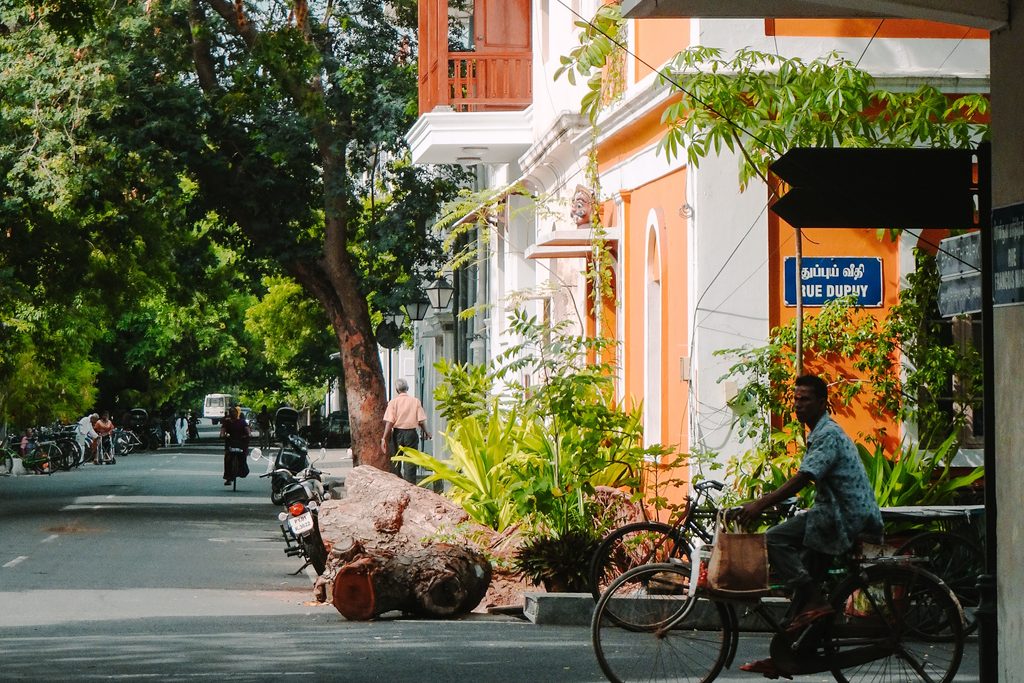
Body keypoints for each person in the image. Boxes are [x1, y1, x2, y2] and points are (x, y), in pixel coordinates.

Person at [736, 374, 883, 679]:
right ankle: (786, 655)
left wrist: (760, 503)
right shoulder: (819, 432)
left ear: (821, 402)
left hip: (842, 517)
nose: (797, 405)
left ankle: (812, 603)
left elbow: (805, 477)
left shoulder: (827, 433)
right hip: (832, 513)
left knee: (775, 540)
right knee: (807, 582)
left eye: (804, 399)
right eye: (795, 399)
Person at [381, 378, 431, 484]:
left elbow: (389, 422)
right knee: (411, 460)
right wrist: (427, 432)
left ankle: (397, 483)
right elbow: (421, 421)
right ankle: (410, 484)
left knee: (396, 459)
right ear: (407, 388)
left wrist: (384, 438)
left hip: (397, 433)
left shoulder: (393, 403)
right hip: (411, 434)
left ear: (396, 390)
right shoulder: (415, 401)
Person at [220, 405, 250, 486]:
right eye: (231, 412)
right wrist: (223, 435)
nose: (233, 414)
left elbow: (247, 430)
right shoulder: (227, 422)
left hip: (241, 442)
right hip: (230, 442)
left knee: (242, 457)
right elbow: (222, 431)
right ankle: (228, 477)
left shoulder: (242, 422)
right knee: (227, 458)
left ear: (237, 413)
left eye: (234, 412)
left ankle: (241, 471)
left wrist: (248, 435)